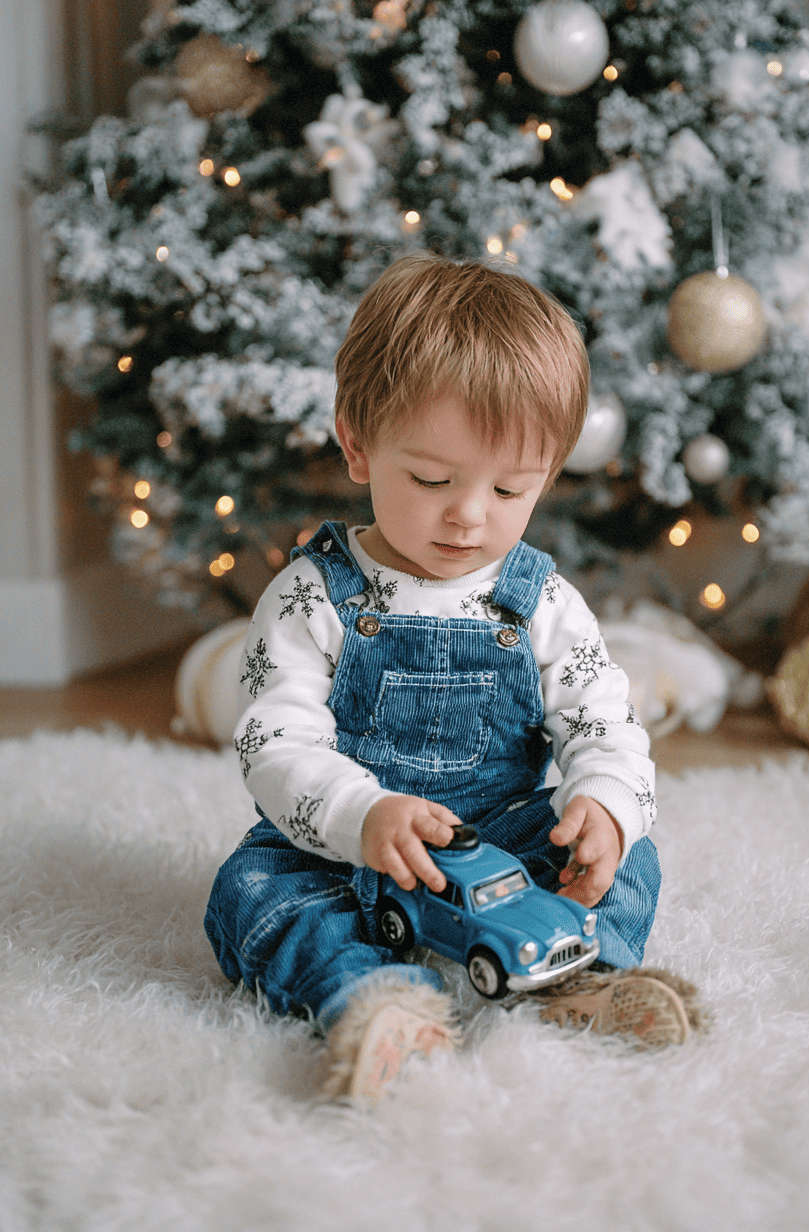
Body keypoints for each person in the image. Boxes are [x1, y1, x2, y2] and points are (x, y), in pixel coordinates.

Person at [204, 253, 699, 1104]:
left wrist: (606, 805)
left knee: (630, 852)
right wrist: (361, 815)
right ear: (358, 444)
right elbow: (274, 742)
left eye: (510, 488)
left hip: (498, 839)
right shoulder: (312, 597)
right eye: (432, 479)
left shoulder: (542, 602)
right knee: (249, 892)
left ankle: (584, 979)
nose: (469, 515)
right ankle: (373, 998)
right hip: (342, 847)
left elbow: (603, 722)